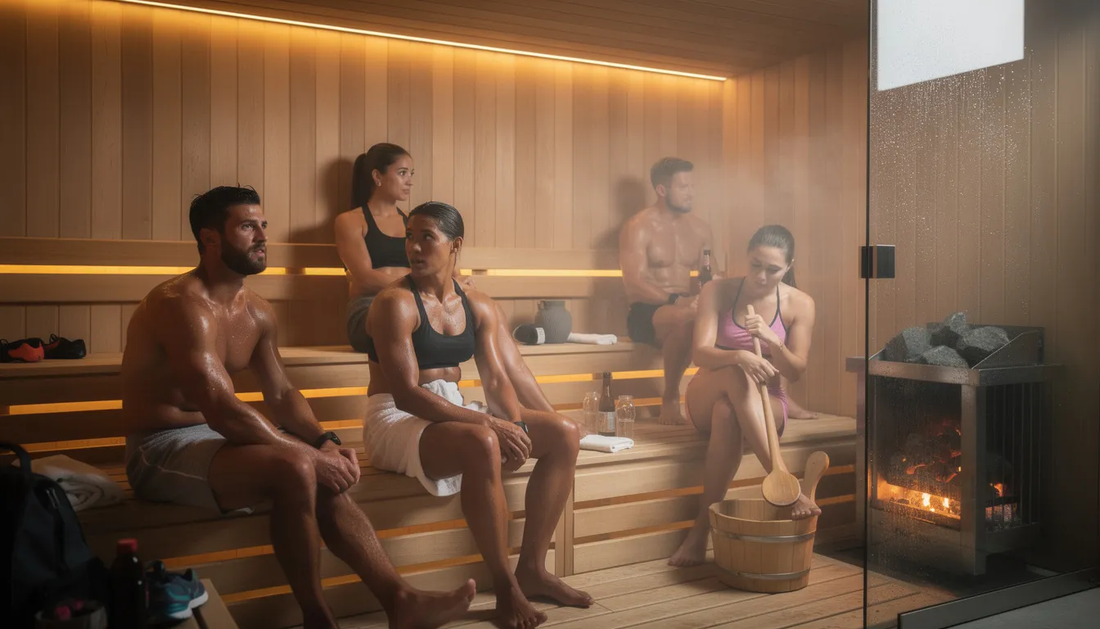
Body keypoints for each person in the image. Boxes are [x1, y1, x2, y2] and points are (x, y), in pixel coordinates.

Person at [121, 186, 475, 629]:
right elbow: (220, 407)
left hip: (218, 442)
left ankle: (400, 600)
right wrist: (306, 456)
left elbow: (283, 394)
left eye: (263, 225)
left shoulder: (257, 311)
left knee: (320, 468)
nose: (262, 236)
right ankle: (318, 618)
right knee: (297, 469)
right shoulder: (181, 306)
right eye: (247, 226)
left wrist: (324, 441)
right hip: (159, 448)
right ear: (210, 239)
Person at [362, 202, 593, 629]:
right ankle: (506, 588)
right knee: (482, 440)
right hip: (394, 417)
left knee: (561, 434)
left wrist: (516, 423)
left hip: (451, 408)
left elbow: (497, 378)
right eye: (409, 236)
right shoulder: (394, 303)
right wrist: (490, 424)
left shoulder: (478, 304)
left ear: (456, 246)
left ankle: (533, 570)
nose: (413, 246)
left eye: (426, 236)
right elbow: (408, 394)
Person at [336, 143, 554, 413]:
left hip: (422, 302)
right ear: (378, 177)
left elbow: (450, 269)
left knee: (491, 309)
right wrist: (419, 284)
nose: (410, 181)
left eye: (411, 173)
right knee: (401, 306)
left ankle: (547, 413)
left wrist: (452, 284)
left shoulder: (414, 222)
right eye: (402, 173)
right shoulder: (351, 220)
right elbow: (365, 277)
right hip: (371, 308)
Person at [668, 225, 821, 568]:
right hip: (708, 388)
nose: (762, 276)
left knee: (728, 415)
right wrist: (739, 356)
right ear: (746, 257)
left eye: (773, 269)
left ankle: (699, 533)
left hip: (768, 399)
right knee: (734, 382)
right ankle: (782, 481)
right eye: (755, 265)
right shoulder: (718, 291)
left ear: (789, 266)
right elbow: (701, 354)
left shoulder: (800, 304)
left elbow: (795, 371)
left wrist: (772, 341)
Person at [619, 157, 714, 425]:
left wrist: (707, 294)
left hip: (689, 309)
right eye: (683, 187)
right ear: (662, 190)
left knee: (737, 320)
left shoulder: (700, 229)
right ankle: (671, 398)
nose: (691, 193)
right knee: (686, 319)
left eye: (692, 186)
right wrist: (677, 300)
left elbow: (711, 274)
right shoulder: (638, 226)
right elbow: (634, 282)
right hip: (645, 312)